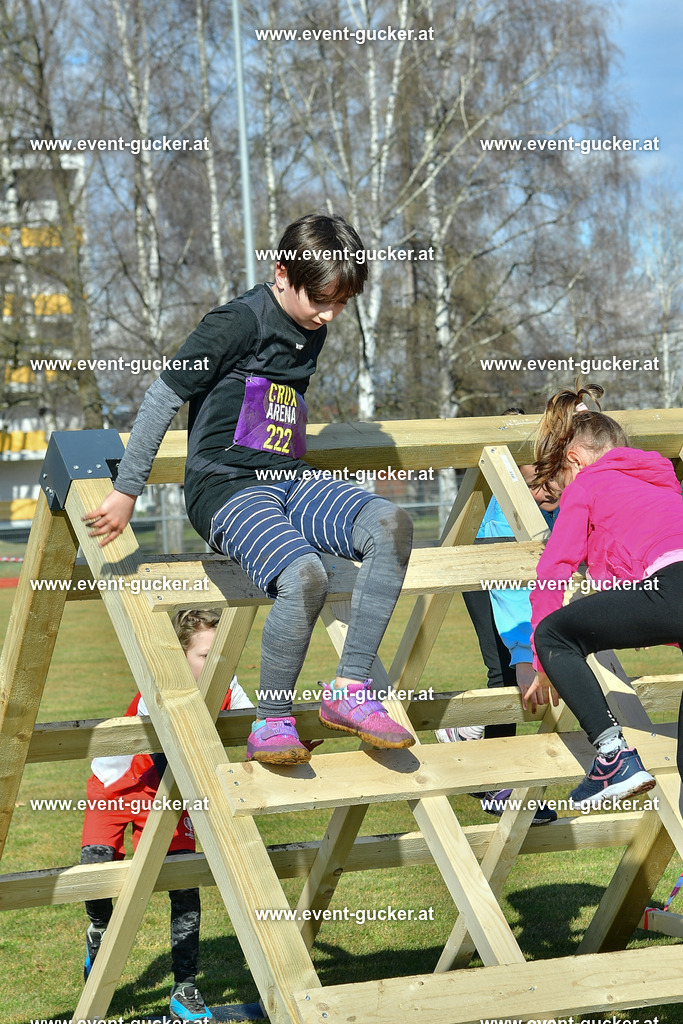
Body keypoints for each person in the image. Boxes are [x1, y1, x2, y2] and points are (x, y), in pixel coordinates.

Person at [83, 213, 415, 765]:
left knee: (391, 525)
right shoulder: (233, 323)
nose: (329, 315)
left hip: (288, 480)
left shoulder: (315, 327)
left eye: (341, 304)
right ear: (282, 273)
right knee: (302, 573)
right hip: (225, 487)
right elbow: (162, 397)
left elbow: (276, 408)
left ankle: (351, 691)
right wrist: (127, 489)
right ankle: (272, 721)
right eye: (321, 301)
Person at [81, 608, 253, 1022]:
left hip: (173, 792)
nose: (213, 664)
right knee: (97, 870)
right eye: (203, 656)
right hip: (120, 785)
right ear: (179, 657)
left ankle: (185, 988)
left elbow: (255, 728)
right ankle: (98, 932)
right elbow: (166, 760)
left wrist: (292, 740)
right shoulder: (156, 689)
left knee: (183, 883)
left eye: (219, 655)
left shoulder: (227, 684)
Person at [523, 382, 683, 809]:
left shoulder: (588, 485)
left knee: (555, 635)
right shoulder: (665, 487)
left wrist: (546, 663)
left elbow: (553, 572)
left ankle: (613, 757)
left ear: (574, 459)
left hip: (673, 588)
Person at [437, 410, 559, 823]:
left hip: (518, 585)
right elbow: (511, 594)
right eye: (532, 480)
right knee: (505, 673)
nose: (544, 487)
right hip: (483, 570)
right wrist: (525, 656)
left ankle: (465, 732)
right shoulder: (502, 520)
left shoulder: (553, 502)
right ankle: (497, 783)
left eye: (548, 472)